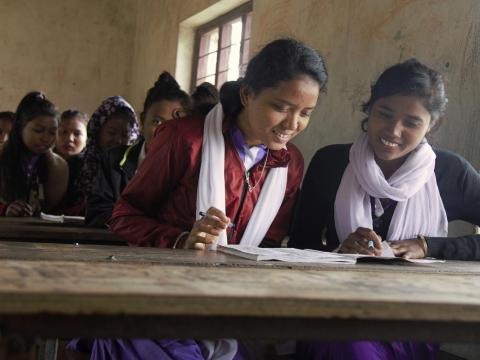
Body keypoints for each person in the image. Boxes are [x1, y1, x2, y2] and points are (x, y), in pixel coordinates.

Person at [70, 38, 328, 360]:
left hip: (231, 308)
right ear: (247, 95)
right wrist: (180, 240)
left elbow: (269, 245)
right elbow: (124, 215)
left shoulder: (288, 163)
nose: (293, 124)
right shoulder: (185, 139)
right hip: (157, 298)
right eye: (281, 107)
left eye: (305, 113)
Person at [290, 58, 480, 359]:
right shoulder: (330, 163)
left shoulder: (450, 172)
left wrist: (429, 246)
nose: (393, 130)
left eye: (412, 122)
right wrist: (339, 252)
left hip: (412, 322)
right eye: (385, 114)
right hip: (334, 313)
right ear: (369, 109)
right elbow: (300, 244)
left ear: (434, 124)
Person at [85, 72, 189, 227]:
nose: (164, 131)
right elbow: (97, 215)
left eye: (175, 124)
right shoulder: (113, 160)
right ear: (142, 121)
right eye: (157, 122)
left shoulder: (189, 168)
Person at [62, 96, 139, 215]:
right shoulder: (77, 165)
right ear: (98, 131)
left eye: (125, 135)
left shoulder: (135, 170)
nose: (118, 141)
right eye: (111, 133)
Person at [0, 92, 68, 216]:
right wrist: (4, 209)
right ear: (21, 127)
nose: (46, 138)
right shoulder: (2, 156)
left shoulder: (58, 167)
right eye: (39, 130)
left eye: (52, 132)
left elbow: (50, 207)